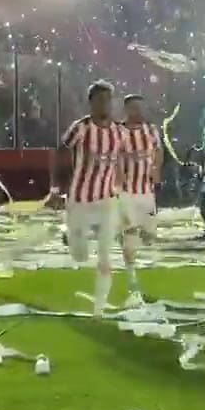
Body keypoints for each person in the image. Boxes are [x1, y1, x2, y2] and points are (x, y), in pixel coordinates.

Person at [61, 80, 123, 316]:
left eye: (108, 99)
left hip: (106, 201)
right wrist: (57, 188)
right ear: (91, 103)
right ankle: (70, 236)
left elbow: (118, 160)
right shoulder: (81, 128)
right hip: (79, 200)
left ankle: (99, 309)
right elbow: (60, 152)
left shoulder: (119, 132)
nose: (105, 104)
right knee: (80, 256)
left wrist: (121, 187)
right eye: (99, 100)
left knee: (106, 256)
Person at [118, 93, 162, 302]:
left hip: (146, 190)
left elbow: (159, 150)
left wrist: (156, 167)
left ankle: (133, 250)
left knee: (150, 236)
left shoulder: (151, 130)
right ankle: (131, 276)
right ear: (127, 109)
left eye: (141, 107)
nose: (139, 111)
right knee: (130, 234)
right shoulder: (118, 131)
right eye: (135, 107)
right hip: (125, 192)